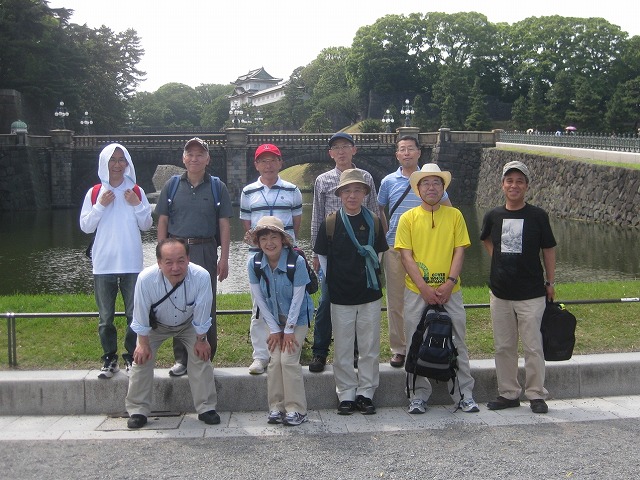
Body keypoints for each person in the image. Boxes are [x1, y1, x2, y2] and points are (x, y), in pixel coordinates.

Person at [395, 163, 479, 414]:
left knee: (457, 341)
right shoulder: (408, 218)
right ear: (418, 189)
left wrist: (450, 282)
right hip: (416, 290)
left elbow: (459, 251)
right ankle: (418, 395)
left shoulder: (455, 216)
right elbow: (406, 256)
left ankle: (464, 394)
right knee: (415, 341)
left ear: (443, 188)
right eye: (426, 183)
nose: (431, 188)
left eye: (436, 183)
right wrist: (423, 287)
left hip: (450, 290)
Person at [480, 160, 557, 414]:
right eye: (510, 181)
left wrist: (550, 282)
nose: (514, 186)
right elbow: (486, 238)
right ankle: (508, 393)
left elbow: (548, 249)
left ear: (526, 186)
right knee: (504, 346)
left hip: (531, 292)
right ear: (502, 185)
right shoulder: (493, 215)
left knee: (533, 346)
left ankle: (536, 394)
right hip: (500, 292)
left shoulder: (537, 216)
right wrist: (498, 259)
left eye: (519, 181)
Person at [155, 137, 232, 377]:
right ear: (183, 158)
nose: (194, 159)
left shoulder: (218, 187)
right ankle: (181, 358)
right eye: (190, 154)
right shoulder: (172, 186)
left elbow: (224, 224)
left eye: (200, 154)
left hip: (205, 248)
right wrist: (161, 255)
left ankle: (205, 355)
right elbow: (163, 221)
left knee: (206, 304)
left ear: (208, 159)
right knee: (178, 304)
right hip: (176, 250)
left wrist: (224, 258)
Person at [314, 169, 388, 415]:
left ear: (365, 194)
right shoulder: (331, 223)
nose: (352, 195)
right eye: (347, 191)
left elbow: (379, 254)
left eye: (357, 190)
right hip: (341, 294)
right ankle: (345, 393)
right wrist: (335, 281)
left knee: (369, 346)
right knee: (343, 347)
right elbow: (323, 256)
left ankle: (366, 392)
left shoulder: (373, 221)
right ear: (340, 194)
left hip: (369, 293)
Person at [125, 238, 220, 428]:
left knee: (201, 357)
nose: (175, 267)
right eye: (168, 262)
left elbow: (203, 311)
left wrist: (202, 339)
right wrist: (142, 343)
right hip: (156, 326)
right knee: (141, 359)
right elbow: (140, 313)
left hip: (189, 324)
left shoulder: (201, 276)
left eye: (181, 261)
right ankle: (138, 410)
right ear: (159, 262)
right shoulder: (145, 279)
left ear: (188, 259)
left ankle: (206, 408)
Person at [79, 143, 153, 379]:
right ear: (105, 163)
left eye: (121, 159)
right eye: (113, 160)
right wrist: (100, 205)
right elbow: (86, 226)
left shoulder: (136, 191)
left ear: (127, 163)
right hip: (104, 264)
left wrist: (137, 204)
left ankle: (131, 355)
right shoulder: (95, 193)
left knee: (134, 315)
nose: (117, 164)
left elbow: (147, 225)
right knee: (105, 318)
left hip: (131, 262)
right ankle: (109, 358)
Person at [377, 136, 451, 369]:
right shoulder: (388, 181)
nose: (407, 153)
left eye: (411, 148)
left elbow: (448, 210)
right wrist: (388, 231)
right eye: (402, 149)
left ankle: (424, 342)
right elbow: (380, 208)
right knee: (396, 300)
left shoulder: (430, 180)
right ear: (397, 155)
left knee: (424, 297)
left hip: (425, 249)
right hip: (396, 248)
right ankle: (399, 348)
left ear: (419, 152)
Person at [309, 132, 378, 373]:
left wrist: (375, 250)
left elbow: (374, 213)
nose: (341, 151)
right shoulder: (323, 180)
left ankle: (357, 351)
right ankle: (319, 351)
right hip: (332, 250)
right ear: (330, 153)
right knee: (326, 301)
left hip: (361, 250)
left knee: (360, 302)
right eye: (336, 148)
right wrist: (315, 253)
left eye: (345, 146)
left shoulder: (366, 177)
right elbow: (317, 216)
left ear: (354, 150)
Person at [240, 144, 303, 375]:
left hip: (286, 255)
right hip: (259, 256)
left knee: (288, 300)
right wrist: (262, 245)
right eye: (263, 161)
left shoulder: (292, 190)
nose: (268, 165)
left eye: (272, 160)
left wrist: (284, 245)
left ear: (280, 163)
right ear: (256, 165)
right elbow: (247, 224)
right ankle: (260, 355)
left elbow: (296, 223)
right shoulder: (248, 192)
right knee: (259, 306)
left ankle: (289, 344)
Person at [246, 216, 314, 426]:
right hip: (273, 319)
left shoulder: (297, 261)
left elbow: (299, 298)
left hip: (298, 318)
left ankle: (297, 410)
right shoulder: (254, 263)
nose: (269, 243)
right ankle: (276, 407)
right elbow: (259, 299)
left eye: (274, 237)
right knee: (274, 361)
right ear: (258, 242)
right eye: (263, 238)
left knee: (288, 360)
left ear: (283, 239)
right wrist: (275, 329)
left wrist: (289, 329)